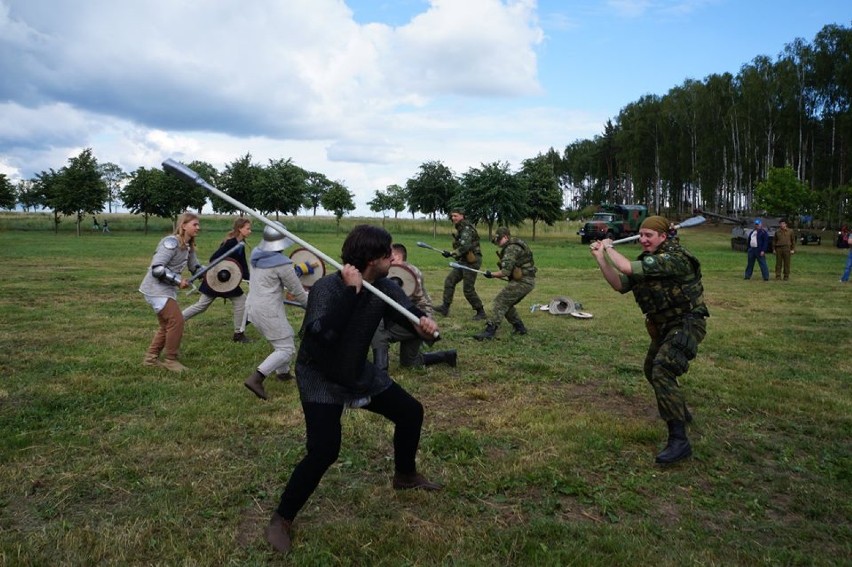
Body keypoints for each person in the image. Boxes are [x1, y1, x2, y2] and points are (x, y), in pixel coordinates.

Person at [264, 225, 441, 555]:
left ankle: (404, 474)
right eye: (388, 252)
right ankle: (282, 518)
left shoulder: (385, 286)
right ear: (373, 258)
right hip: (321, 376)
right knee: (324, 450)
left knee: (410, 412)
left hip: (357, 371)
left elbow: (408, 315)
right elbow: (320, 338)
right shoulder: (328, 288)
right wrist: (351, 292)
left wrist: (424, 325)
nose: (394, 257)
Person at [589, 215, 709, 465]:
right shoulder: (649, 260)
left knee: (662, 369)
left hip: (686, 323)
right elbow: (619, 283)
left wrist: (610, 246)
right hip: (663, 326)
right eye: (641, 235)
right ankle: (680, 412)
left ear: (663, 237)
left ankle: (679, 441)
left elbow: (626, 268)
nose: (643, 240)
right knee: (650, 369)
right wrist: (601, 258)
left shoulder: (675, 259)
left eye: (648, 236)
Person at [243, 224, 309, 400]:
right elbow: (298, 292)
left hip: (252, 307)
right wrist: (314, 303)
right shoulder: (282, 265)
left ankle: (283, 373)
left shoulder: (256, 254)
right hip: (268, 310)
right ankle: (257, 378)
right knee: (287, 349)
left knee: (285, 336)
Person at [372, 243, 457, 371]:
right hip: (404, 317)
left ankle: (380, 369)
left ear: (397, 256)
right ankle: (445, 355)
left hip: (417, 319)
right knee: (409, 362)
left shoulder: (409, 273)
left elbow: (402, 299)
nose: (387, 259)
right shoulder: (389, 272)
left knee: (377, 327)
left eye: (389, 256)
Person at [139, 212, 202, 372]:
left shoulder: (188, 246)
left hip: (166, 289)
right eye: (195, 224)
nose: (198, 228)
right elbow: (158, 268)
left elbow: (195, 267)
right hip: (156, 288)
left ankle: (150, 359)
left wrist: (208, 274)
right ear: (183, 225)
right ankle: (170, 360)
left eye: (198, 225)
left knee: (166, 325)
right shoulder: (171, 242)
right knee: (177, 321)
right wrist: (177, 280)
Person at [182, 218, 253, 343]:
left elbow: (242, 265)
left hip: (229, 281)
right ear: (240, 229)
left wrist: (250, 279)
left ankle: (239, 333)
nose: (250, 231)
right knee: (202, 306)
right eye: (247, 228)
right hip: (216, 279)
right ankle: (177, 319)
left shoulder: (240, 244)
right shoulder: (231, 243)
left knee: (241, 301)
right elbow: (214, 259)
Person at [474, 226, 536, 340]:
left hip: (524, 281)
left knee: (500, 301)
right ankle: (520, 328)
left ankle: (490, 331)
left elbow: (505, 272)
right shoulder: (514, 245)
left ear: (506, 237)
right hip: (526, 280)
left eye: (499, 239)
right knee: (507, 304)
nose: (497, 243)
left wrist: (491, 274)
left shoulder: (511, 248)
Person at [433, 207, 486, 320]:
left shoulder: (466, 228)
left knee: (468, 289)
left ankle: (480, 312)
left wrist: (452, 253)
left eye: (455, 216)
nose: (453, 218)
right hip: (464, 260)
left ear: (462, 215)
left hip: (472, 261)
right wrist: (452, 253)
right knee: (450, 281)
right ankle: (445, 308)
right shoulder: (461, 228)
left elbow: (465, 246)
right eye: (452, 216)